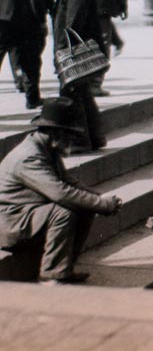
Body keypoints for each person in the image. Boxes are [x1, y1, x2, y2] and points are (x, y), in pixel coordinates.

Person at [0, 97, 122, 284]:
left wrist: (98, 198)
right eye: (69, 134)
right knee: (64, 210)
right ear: (55, 132)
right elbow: (60, 193)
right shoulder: (29, 157)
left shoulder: (46, 147)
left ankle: (63, 270)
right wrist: (102, 204)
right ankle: (51, 275)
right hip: (11, 222)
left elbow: (69, 181)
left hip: (27, 215)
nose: (72, 140)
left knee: (83, 205)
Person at [51, 0, 107, 151]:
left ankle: (79, 141)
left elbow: (73, 20)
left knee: (71, 93)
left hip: (72, 49)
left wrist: (64, 51)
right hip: (73, 47)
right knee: (81, 93)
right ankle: (95, 137)